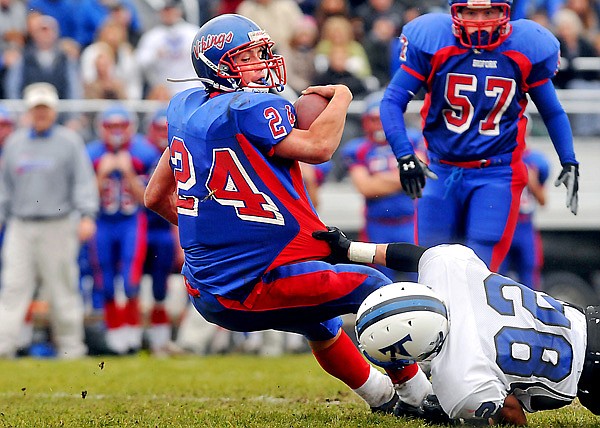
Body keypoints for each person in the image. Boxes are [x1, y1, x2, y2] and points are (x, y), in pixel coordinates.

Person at [144, 13, 445, 418]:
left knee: (319, 324)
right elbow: (319, 147)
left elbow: (155, 196)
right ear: (217, 65)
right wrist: (342, 97)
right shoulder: (247, 107)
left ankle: (381, 397)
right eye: (248, 56)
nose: (262, 61)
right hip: (246, 285)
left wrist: (217, 232)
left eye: (261, 51)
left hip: (208, 285)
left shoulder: (185, 109)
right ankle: (418, 393)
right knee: (373, 286)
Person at [313, 226, 600, 425]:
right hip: (587, 319)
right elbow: (416, 255)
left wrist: (455, 413)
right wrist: (350, 250)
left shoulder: (459, 376)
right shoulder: (445, 271)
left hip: (592, 376)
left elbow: (511, 413)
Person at [379, 0, 580, 272]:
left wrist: (568, 158)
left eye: (488, 11)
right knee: (429, 265)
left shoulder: (525, 47)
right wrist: (404, 155)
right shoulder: (435, 41)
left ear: (505, 12)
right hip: (442, 168)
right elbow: (392, 100)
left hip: (496, 173)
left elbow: (553, 111)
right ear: (455, 12)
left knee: (480, 272)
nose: (480, 20)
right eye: (471, 12)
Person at [0, 82, 99, 359]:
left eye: (44, 108)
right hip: (20, 225)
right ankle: (3, 346)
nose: (40, 113)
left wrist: (87, 215)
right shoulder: (15, 143)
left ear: (53, 110)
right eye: (36, 109)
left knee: (63, 289)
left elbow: (83, 183)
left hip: (58, 225)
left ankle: (71, 348)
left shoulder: (69, 142)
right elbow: (5, 187)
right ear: (29, 111)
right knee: (12, 287)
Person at [86, 104, 157, 354]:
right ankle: (115, 334)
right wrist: (101, 176)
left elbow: (147, 197)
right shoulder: (92, 153)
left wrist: (127, 172)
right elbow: (86, 197)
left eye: (120, 126)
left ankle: (132, 333)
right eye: (110, 126)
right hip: (102, 221)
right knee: (104, 280)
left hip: (130, 222)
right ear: (101, 128)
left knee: (130, 279)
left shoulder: (144, 152)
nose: (116, 131)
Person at [341, 91, 415, 281]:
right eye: (374, 119)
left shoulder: (411, 140)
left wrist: (379, 181)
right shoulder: (358, 148)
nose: (378, 125)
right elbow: (366, 187)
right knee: (379, 281)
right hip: (377, 225)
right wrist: (403, 177)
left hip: (410, 221)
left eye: (383, 119)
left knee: (421, 273)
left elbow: (420, 174)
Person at [500, 148, 550, 290]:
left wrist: (531, 181)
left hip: (525, 225)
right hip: (502, 225)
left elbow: (543, 200)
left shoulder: (536, 161)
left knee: (530, 274)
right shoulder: (500, 156)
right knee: (496, 274)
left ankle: (531, 312)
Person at [134, 0, 199, 97]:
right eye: (165, 11)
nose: (168, 14)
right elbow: (139, 62)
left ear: (178, 11)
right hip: (163, 90)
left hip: (191, 86)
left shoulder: (193, 32)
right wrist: (155, 55)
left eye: (171, 10)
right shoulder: (152, 36)